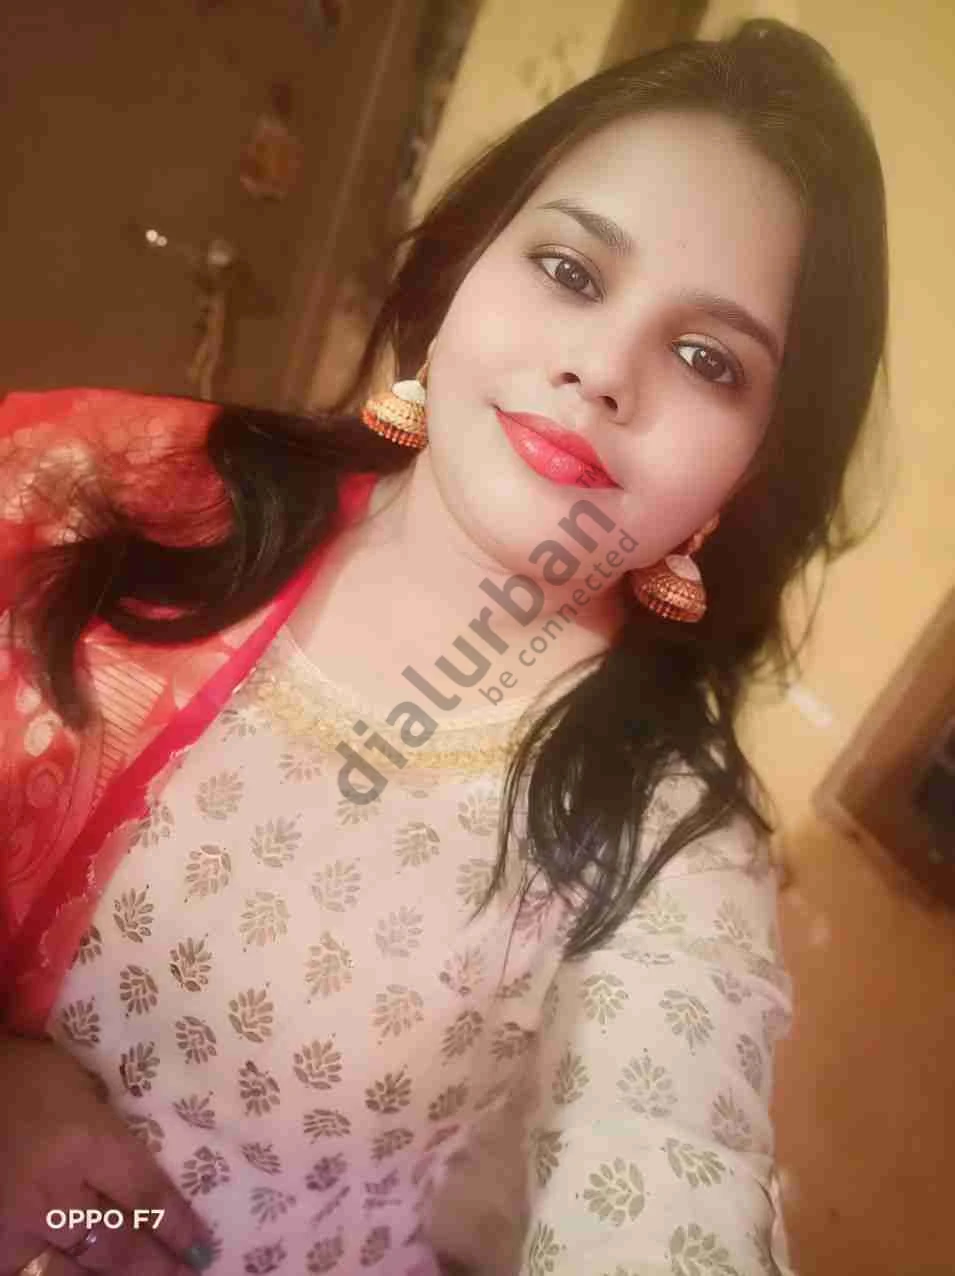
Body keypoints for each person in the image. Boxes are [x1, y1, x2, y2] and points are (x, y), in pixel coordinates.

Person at [0, 16, 888, 1276]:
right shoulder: (122, 492)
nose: (603, 368)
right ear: (465, 271)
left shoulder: (659, 832)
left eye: (707, 358)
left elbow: (672, 1157)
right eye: (570, 270)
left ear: (752, 470)